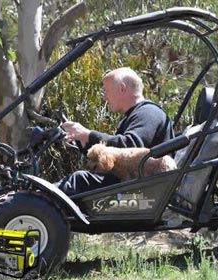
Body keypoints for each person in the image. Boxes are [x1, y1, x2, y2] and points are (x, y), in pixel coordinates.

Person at [56, 67, 174, 195]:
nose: (105, 97)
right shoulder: (134, 115)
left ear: (122, 88)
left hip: (142, 189)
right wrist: (81, 139)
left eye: (106, 91)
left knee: (79, 180)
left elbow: (130, 145)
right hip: (134, 183)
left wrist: (88, 135)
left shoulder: (149, 113)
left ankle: (36, 201)